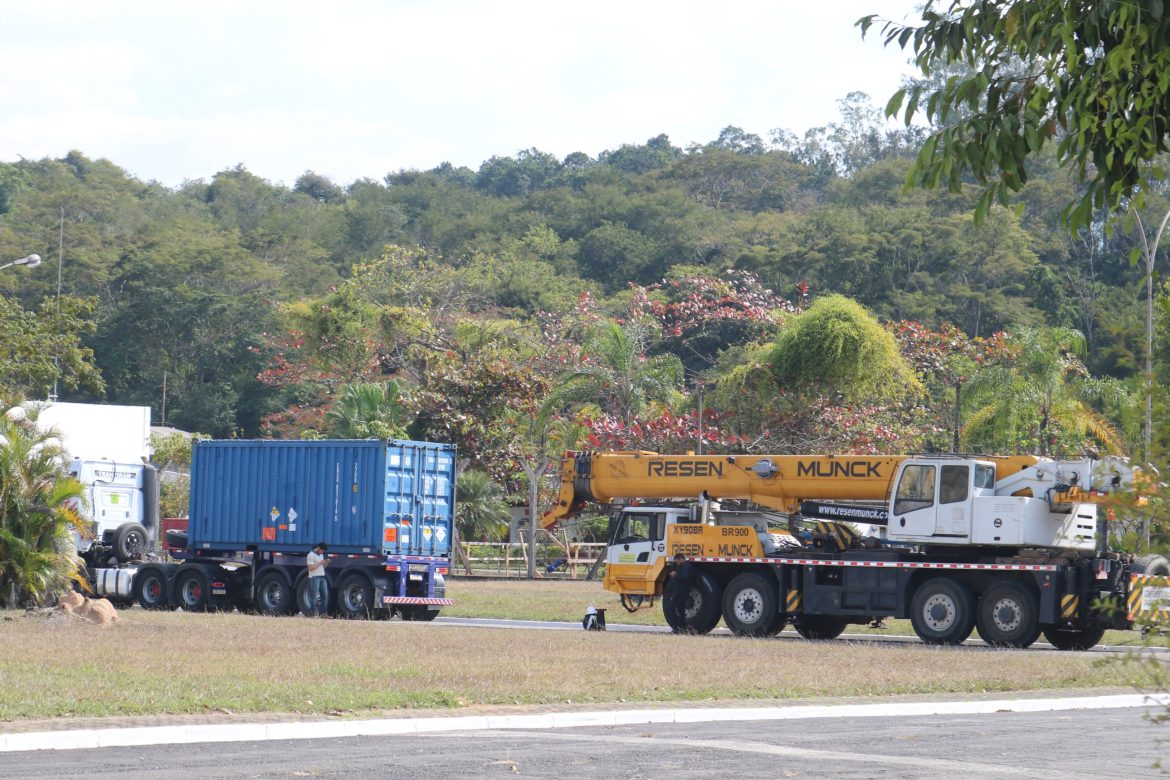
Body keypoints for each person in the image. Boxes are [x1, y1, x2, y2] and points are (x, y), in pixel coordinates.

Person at [664, 552, 694, 633]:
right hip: (683, 591)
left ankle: (676, 627)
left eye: (677, 561)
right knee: (681, 609)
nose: (677, 564)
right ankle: (682, 628)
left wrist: (675, 575)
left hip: (681, 591)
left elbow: (685, 577)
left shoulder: (686, 566)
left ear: (680, 559)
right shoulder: (686, 566)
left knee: (670, 607)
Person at [306, 542, 330, 617]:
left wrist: (326, 563)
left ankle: (323, 613)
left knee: (325, 596)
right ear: (319, 548)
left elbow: (323, 567)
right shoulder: (311, 555)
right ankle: (312, 613)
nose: (323, 552)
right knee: (314, 596)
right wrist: (320, 563)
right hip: (314, 577)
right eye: (322, 551)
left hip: (322, 576)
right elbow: (310, 568)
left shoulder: (321, 555)